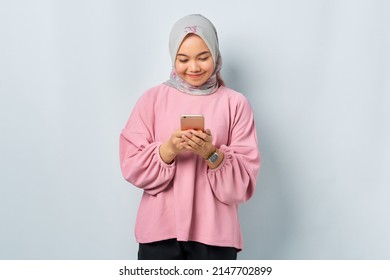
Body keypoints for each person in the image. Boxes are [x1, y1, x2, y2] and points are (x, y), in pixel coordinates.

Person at [119, 14, 260, 260]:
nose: (193, 67)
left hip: (214, 238)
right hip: (159, 236)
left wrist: (211, 154)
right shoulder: (151, 100)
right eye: (183, 59)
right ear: (173, 58)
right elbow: (131, 165)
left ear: (216, 55)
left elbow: (243, 185)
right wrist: (169, 150)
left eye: (203, 57)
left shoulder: (236, 104)